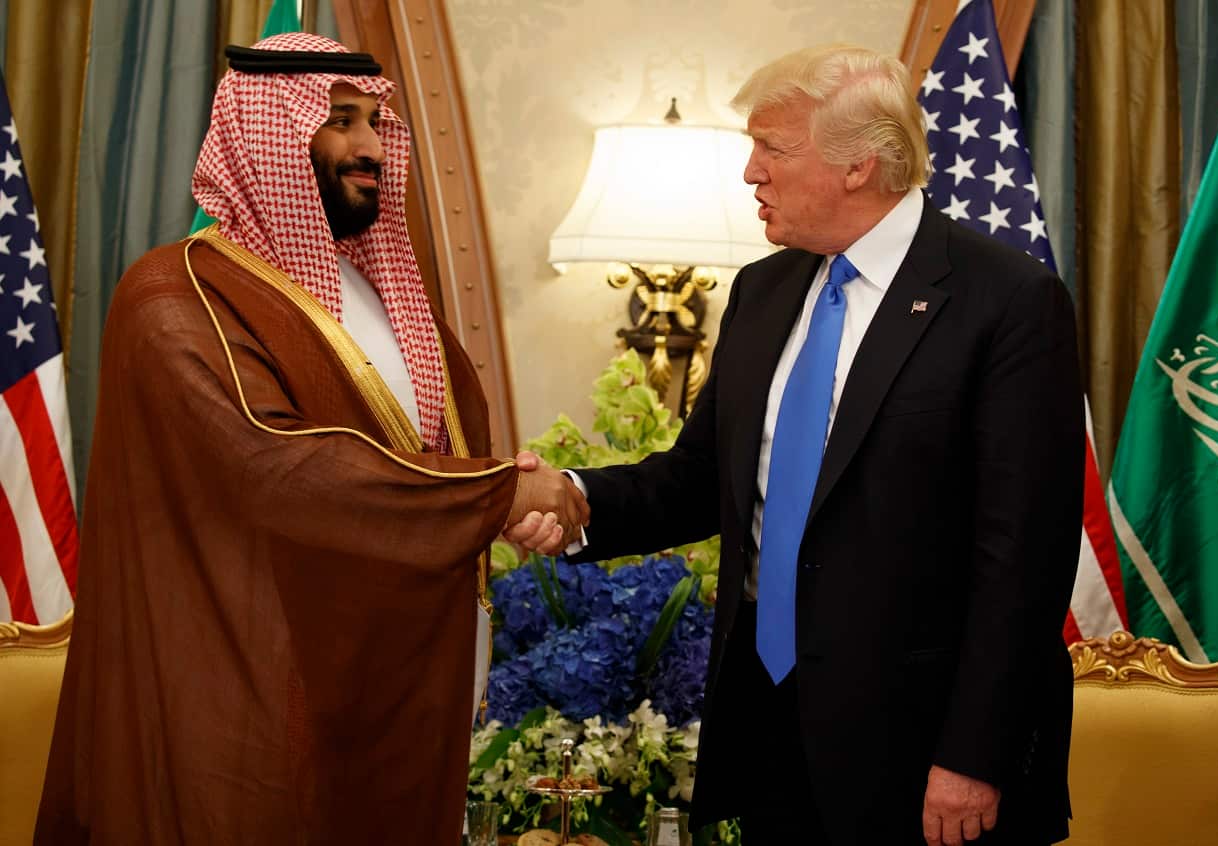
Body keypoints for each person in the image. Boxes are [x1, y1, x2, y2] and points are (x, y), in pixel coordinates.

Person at [35, 33, 584, 844]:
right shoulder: (174, 296)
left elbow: (436, 453)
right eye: (339, 121)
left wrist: (508, 499)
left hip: (389, 704)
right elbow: (277, 468)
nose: (369, 147)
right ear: (268, 138)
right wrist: (503, 492)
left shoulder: (385, 293)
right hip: (246, 705)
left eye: (374, 121)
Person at [553, 44, 1083, 845]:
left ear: (858, 164)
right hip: (772, 728)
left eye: (772, 148)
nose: (750, 174)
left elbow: (1024, 559)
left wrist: (977, 755)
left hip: (926, 756)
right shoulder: (764, 291)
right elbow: (701, 480)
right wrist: (574, 501)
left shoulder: (1007, 302)